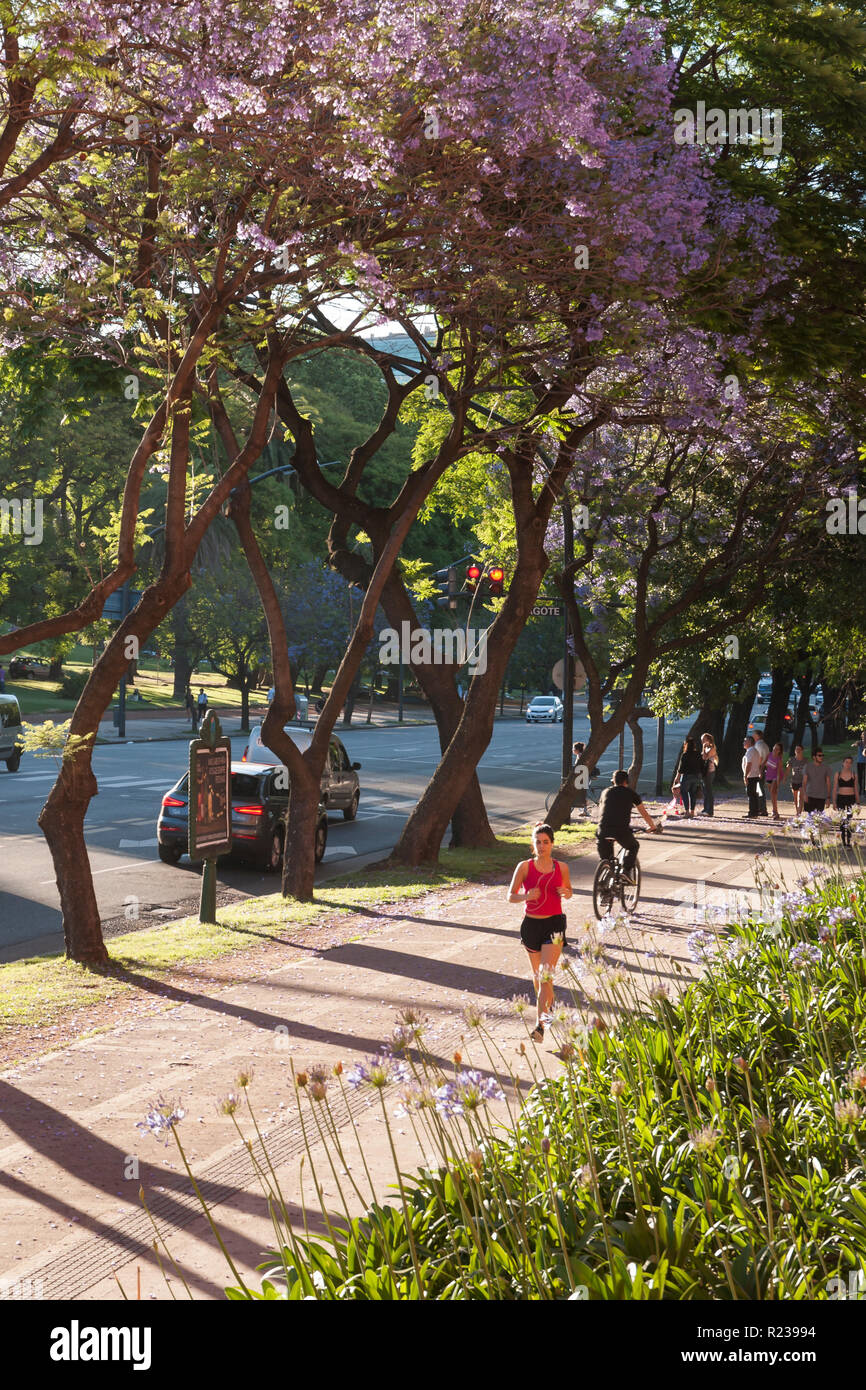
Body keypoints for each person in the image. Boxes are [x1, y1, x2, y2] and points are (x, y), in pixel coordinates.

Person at [507, 823, 573, 1043]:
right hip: (531, 927)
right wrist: (527, 896)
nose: (542, 846)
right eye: (538, 842)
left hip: (554, 926)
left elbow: (569, 891)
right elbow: (510, 895)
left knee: (545, 977)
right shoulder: (524, 867)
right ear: (532, 845)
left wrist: (566, 892)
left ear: (552, 843)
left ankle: (540, 1026)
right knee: (539, 979)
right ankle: (548, 1005)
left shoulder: (561, 867)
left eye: (546, 842)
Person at [596, 769, 661, 888]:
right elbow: (644, 813)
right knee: (633, 846)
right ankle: (625, 871)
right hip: (621, 831)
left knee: (606, 859)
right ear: (626, 781)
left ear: (613, 782)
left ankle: (603, 884)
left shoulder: (605, 792)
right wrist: (652, 827)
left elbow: (602, 810)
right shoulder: (631, 793)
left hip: (602, 830)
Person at [676, 737, 705, 819]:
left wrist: (677, 777)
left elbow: (681, 768)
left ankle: (687, 811)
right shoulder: (698, 754)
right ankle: (692, 811)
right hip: (696, 776)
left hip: (687, 776)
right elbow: (702, 765)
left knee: (684, 792)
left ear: (686, 745)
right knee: (693, 794)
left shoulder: (685, 755)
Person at [833, 755, 859, 847]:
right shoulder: (838, 774)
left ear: (851, 764)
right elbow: (835, 788)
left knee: (849, 819)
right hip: (841, 798)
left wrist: (858, 802)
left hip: (851, 799)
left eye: (850, 762)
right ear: (843, 763)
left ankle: (848, 840)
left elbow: (856, 788)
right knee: (842, 820)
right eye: (846, 762)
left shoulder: (854, 774)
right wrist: (834, 802)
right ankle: (843, 840)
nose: (848, 764)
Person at [801, 747, 831, 812]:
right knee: (809, 818)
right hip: (810, 795)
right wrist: (804, 794)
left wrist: (828, 797)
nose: (821, 757)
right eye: (819, 755)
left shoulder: (826, 767)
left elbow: (828, 783)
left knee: (819, 818)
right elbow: (804, 782)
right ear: (814, 757)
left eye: (822, 755)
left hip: (821, 797)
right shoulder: (807, 766)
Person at [764, 741, 786, 820]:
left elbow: (779, 772)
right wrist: (760, 771)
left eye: (777, 749)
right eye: (774, 747)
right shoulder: (769, 755)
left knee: (773, 793)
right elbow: (764, 763)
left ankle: (775, 812)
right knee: (772, 794)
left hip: (776, 777)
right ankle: (774, 810)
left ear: (779, 751)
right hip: (768, 776)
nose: (775, 749)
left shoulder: (779, 759)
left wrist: (777, 782)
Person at [742, 735, 763, 818]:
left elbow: (749, 764)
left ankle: (752, 812)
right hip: (754, 775)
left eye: (745, 741)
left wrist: (745, 775)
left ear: (750, 742)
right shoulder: (754, 750)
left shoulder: (750, 751)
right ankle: (755, 812)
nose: (743, 743)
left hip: (751, 776)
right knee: (753, 794)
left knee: (751, 794)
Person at [700, 734, 719, 817]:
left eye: (704, 739)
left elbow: (704, 757)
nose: (702, 741)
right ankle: (705, 809)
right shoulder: (707, 748)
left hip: (709, 771)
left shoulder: (712, 748)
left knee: (708, 791)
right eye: (702, 739)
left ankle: (710, 810)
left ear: (709, 740)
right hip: (705, 771)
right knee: (705, 791)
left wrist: (703, 748)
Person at [753, 728, 770, 817]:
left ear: (757, 736)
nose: (753, 737)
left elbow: (759, 757)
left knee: (759, 789)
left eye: (754, 735)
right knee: (760, 788)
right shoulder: (765, 745)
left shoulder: (758, 745)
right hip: (763, 767)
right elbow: (767, 757)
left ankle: (762, 809)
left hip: (759, 768)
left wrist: (759, 767)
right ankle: (762, 808)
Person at [788, 744, 807, 815]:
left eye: (799, 749)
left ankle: (799, 812)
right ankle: (797, 810)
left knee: (800, 797)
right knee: (795, 797)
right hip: (794, 780)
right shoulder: (792, 759)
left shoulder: (805, 760)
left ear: (802, 751)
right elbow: (788, 769)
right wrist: (784, 777)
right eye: (796, 749)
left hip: (802, 781)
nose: (797, 751)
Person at [852, 731, 866, 798]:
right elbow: (856, 744)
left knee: (865, 777)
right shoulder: (859, 742)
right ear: (861, 736)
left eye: (865, 735)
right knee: (860, 777)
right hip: (860, 762)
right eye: (863, 735)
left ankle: (864, 790)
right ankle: (861, 789)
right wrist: (854, 744)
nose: (864, 736)